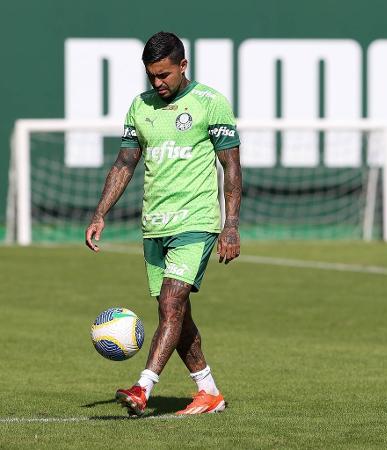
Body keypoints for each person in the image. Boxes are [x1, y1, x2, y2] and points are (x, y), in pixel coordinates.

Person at [85, 31, 242, 416]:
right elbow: (125, 163)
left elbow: (231, 166)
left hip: (196, 221)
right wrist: (100, 212)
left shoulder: (211, 103)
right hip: (154, 226)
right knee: (177, 313)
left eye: (164, 75)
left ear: (183, 66)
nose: (158, 83)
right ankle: (209, 392)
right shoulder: (140, 107)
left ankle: (142, 388)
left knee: (172, 302)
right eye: (151, 76)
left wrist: (231, 224)